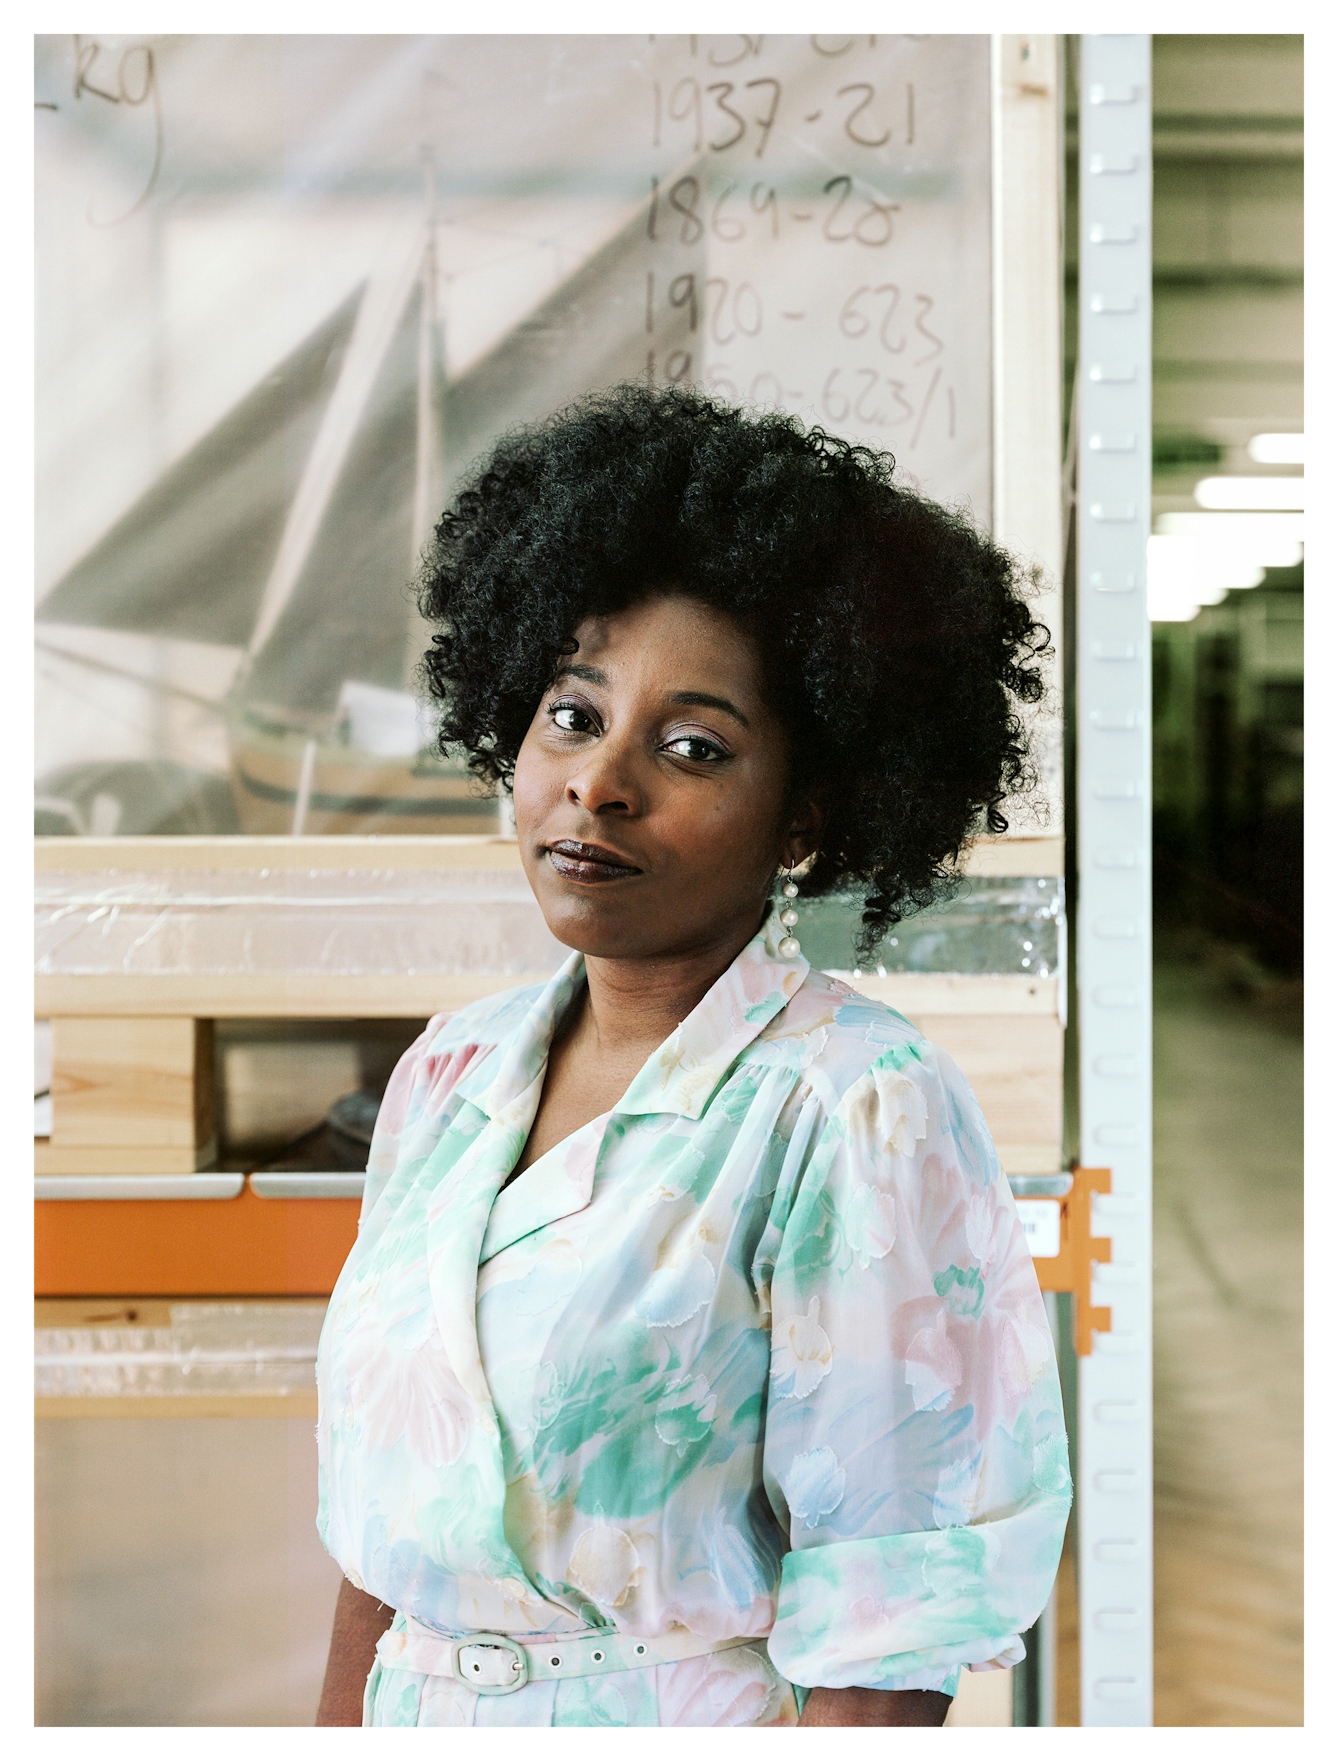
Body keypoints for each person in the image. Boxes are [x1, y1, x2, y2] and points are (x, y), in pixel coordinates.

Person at [314, 384, 1071, 1728]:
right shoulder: (448, 1072)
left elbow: (882, 1622)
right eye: (571, 715)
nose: (598, 783)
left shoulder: (854, 1106)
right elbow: (387, 1539)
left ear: (805, 818)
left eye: (689, 747)